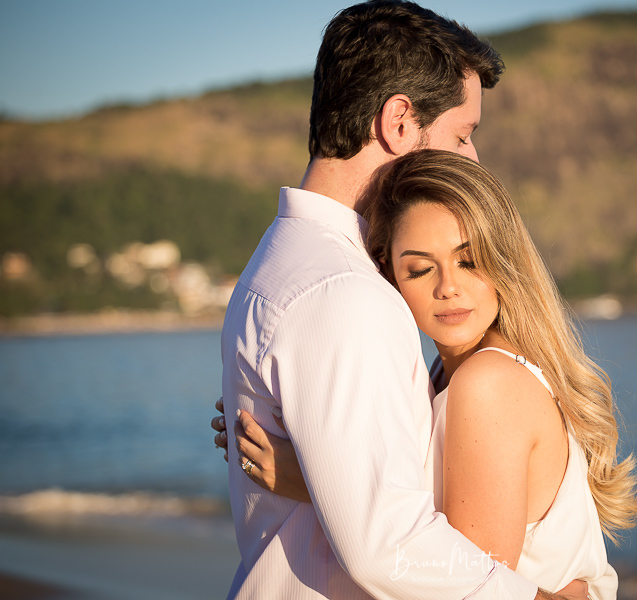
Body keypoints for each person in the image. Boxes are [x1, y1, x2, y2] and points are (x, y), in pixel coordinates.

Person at [218, 1, 592, 598]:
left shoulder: (277, 264)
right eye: (462, 135)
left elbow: (377, 510)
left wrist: (318, 480)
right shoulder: (345, 293)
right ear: (399, 122)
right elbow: (387, 546)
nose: (471, 158)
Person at [225, 149, 637, 599]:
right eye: (421, 269)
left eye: (469, 260)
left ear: (504, 261)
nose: (448, 287)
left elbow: (467, 583)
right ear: (388, 275)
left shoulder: (489, 383)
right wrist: (331, 459)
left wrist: (319, 484)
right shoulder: (447, 372)